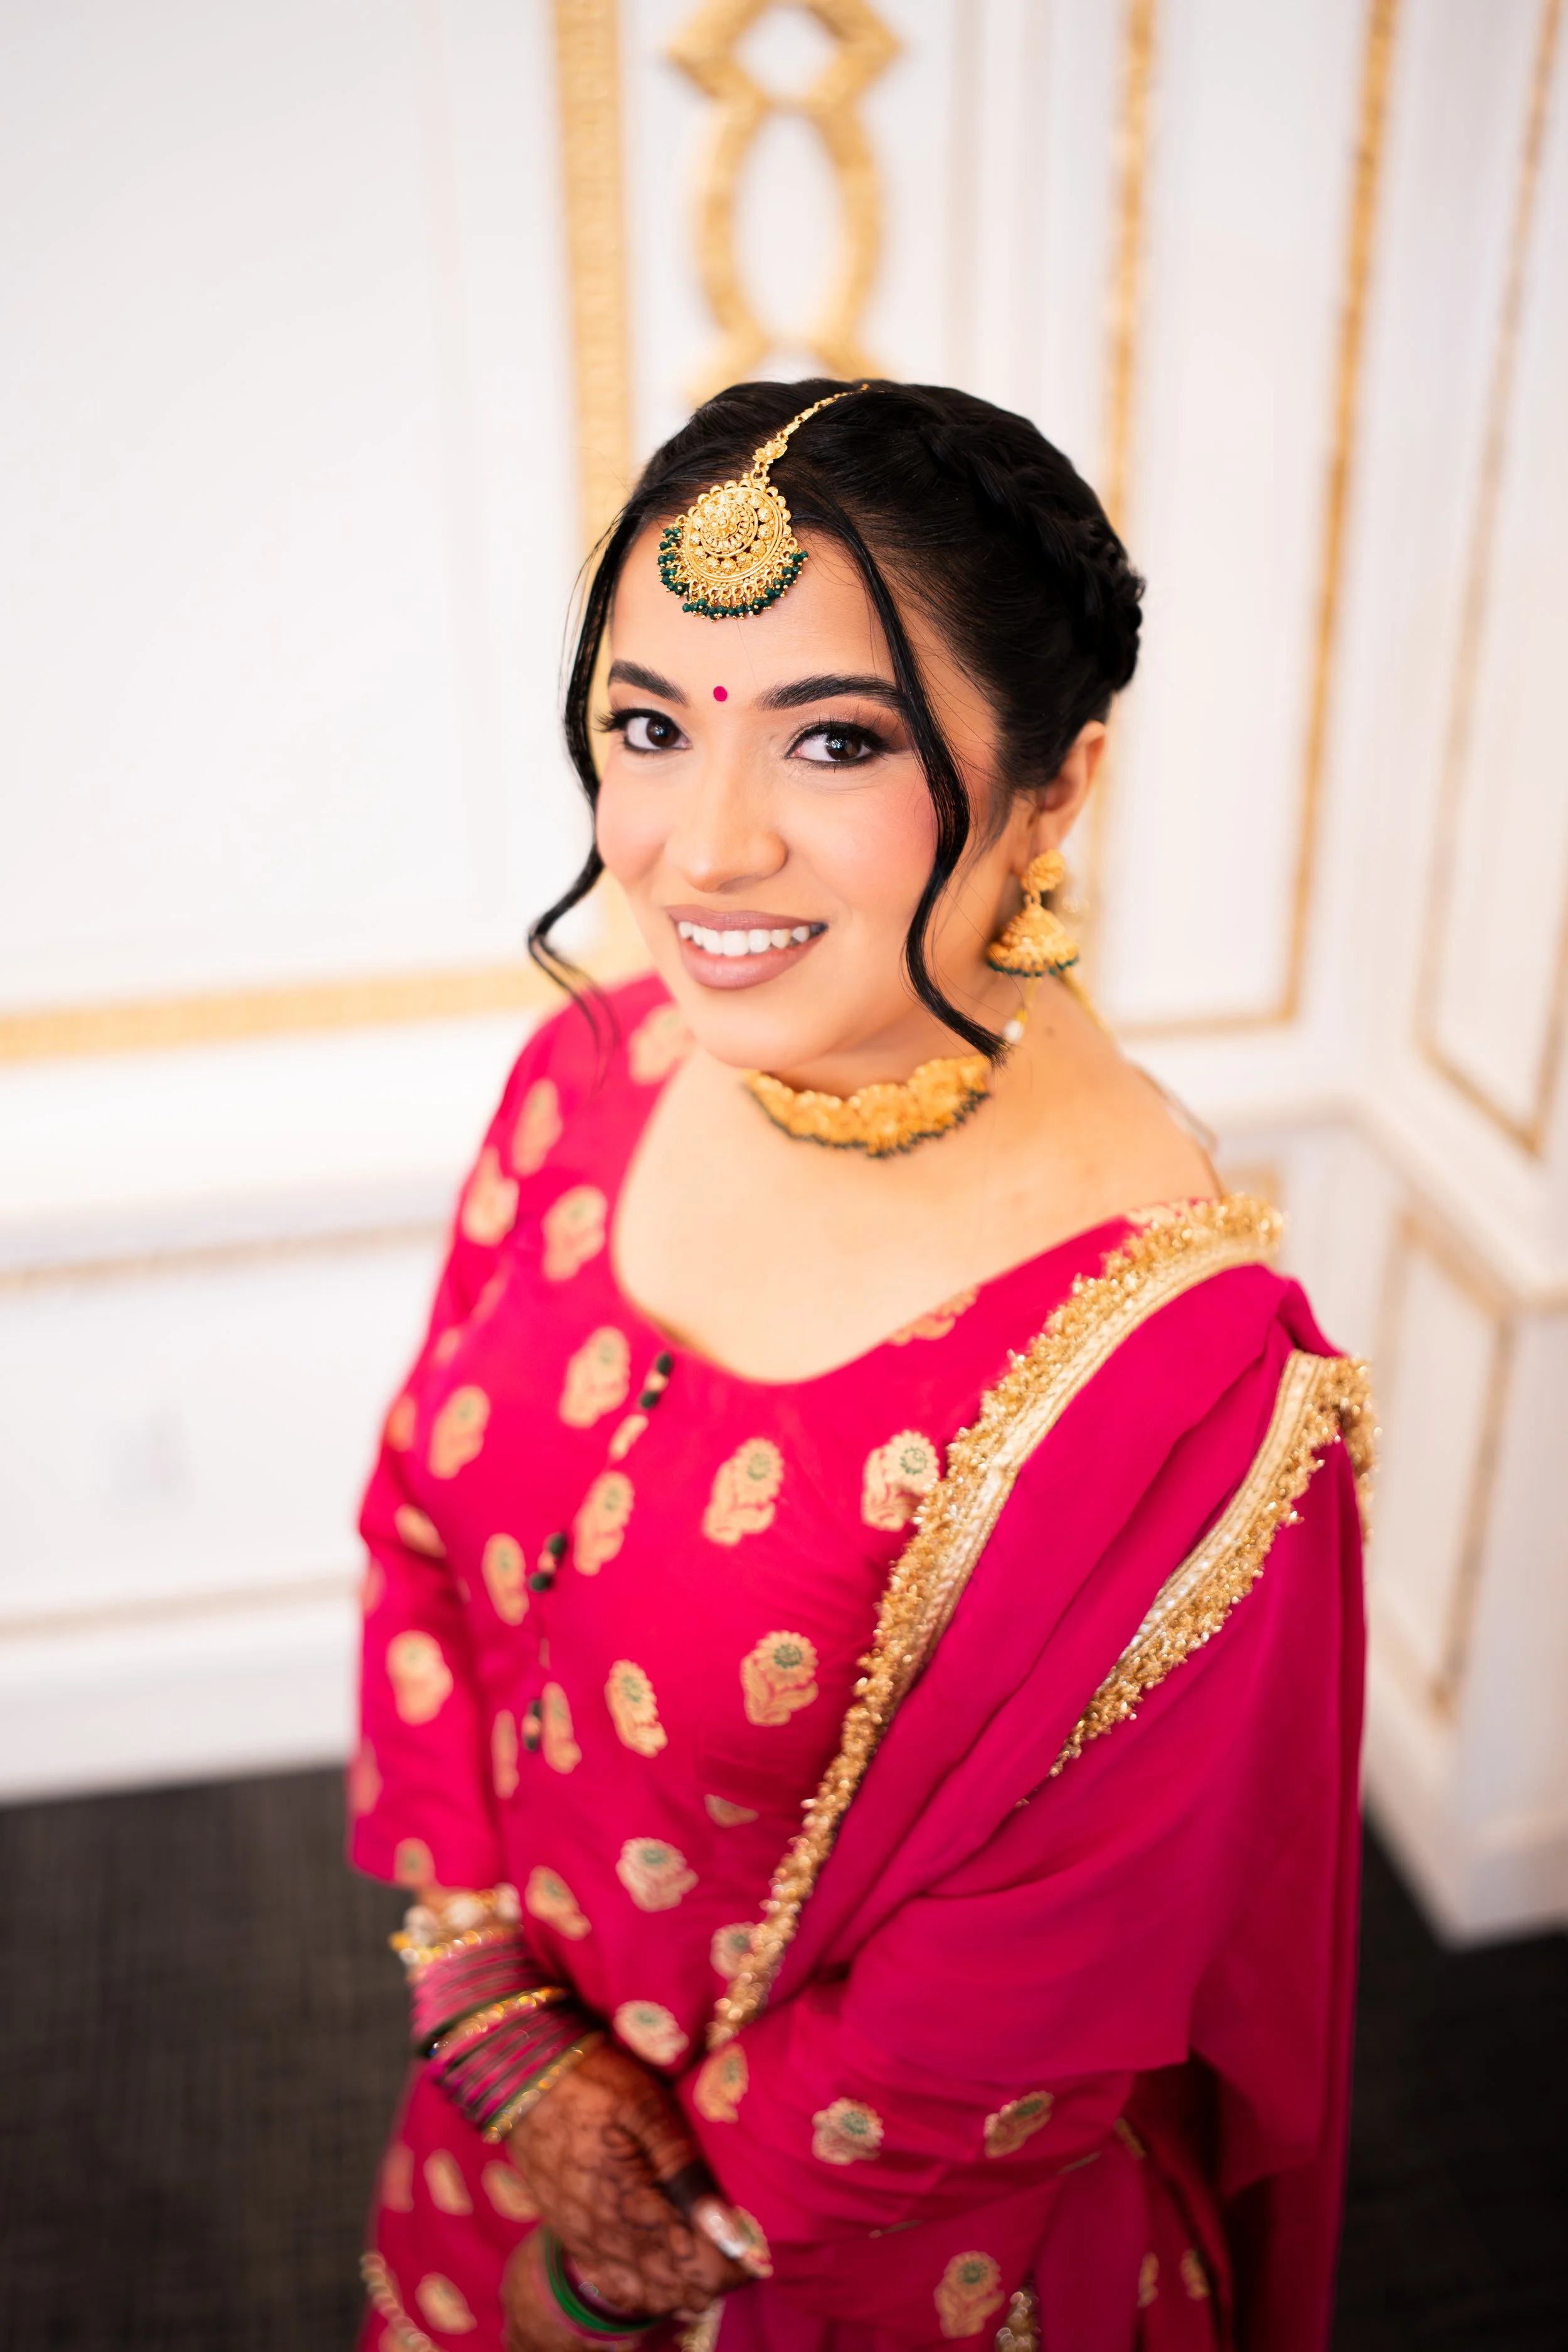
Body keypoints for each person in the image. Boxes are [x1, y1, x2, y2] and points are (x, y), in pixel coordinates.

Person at [350, 381, 1370, 2352]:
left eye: (834, 739)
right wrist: (490, 2020)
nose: (700, 850)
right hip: (502, 2115)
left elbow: (1013, 2005)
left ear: (1054, 789)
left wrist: (647, 2247)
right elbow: (420, 1530)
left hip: (859, 2263)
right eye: (649, 726)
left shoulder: (1173, 1380)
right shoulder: (596, 1074)